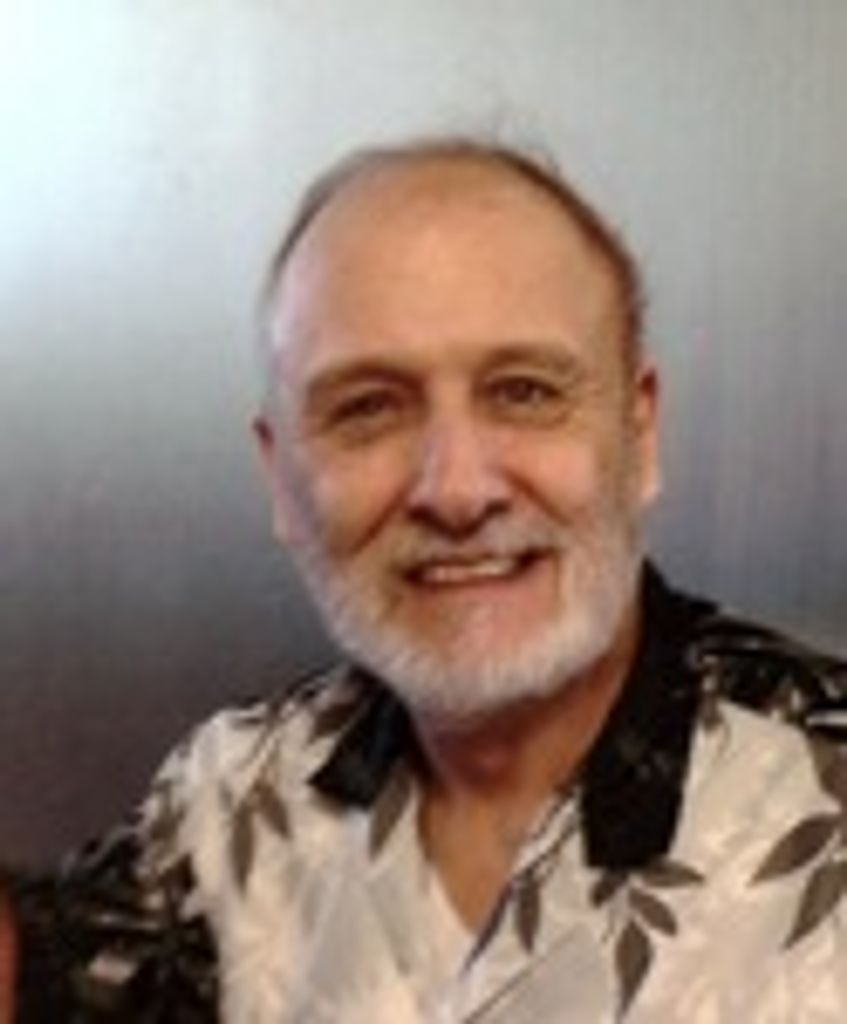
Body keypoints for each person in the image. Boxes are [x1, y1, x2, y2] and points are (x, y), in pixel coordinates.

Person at [6, 138, 847, 1021]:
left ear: (638, 435)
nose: (455, 489)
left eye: (523, 392)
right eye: (368, 408)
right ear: (280, 478)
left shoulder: (820, 787)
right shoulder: (229, 798)